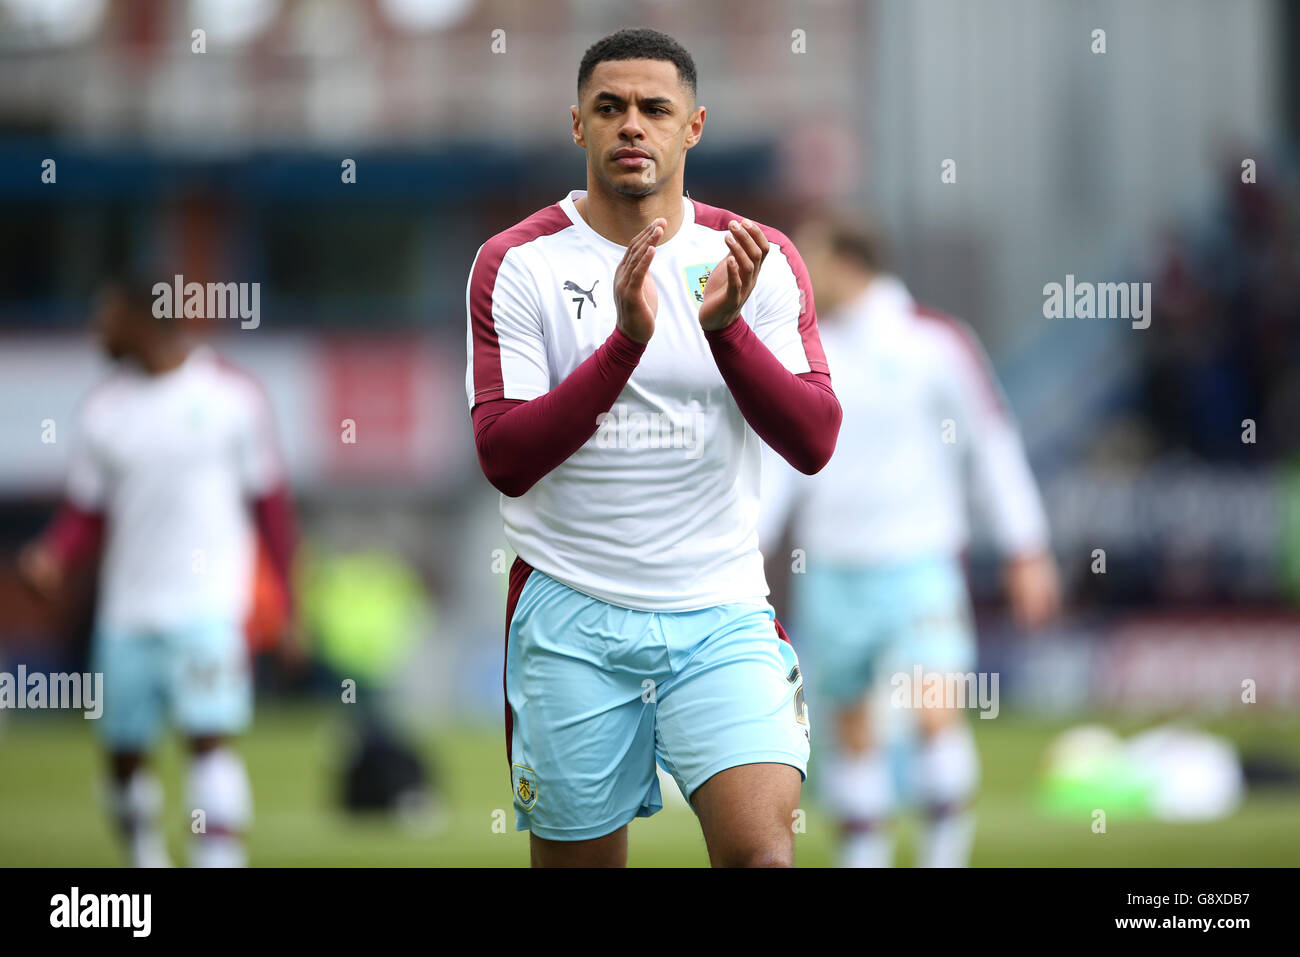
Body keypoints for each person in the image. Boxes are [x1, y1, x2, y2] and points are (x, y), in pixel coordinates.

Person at [465, 28, 842, 867]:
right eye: (610, 107)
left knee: (763, 857)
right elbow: (505, 454)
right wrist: (625, 344)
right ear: (578, 126)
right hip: (570, 613)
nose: (631, 124)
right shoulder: (516, 262)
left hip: (721, 611)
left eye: (653, 108)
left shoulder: (756, 257)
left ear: (693, 127)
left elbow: (814, 439)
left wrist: (726, 332)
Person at [758, 217, 1061, 867]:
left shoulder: (935, 342)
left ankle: (942, 856)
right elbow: (780, 462)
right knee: (853, 729)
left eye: (812, 259)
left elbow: (990, 440)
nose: (802, 275)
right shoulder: (808, 349)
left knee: (933, 715)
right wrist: (747, 546)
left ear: (848, 260)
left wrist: (1026, 546)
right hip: (834, 564)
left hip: (919, 560)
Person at [18, 275, 297, 867]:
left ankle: (216, 862)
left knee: (209, 739)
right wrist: (53, 554)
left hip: (209, 604)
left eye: (106, 317)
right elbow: (85, 512)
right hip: (127, 609)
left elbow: (270, 507)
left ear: (142, 318)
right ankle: (145, 860)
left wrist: (289, 606)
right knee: (123, 751)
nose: (97, 330)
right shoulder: (104, 410)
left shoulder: (231, 396)